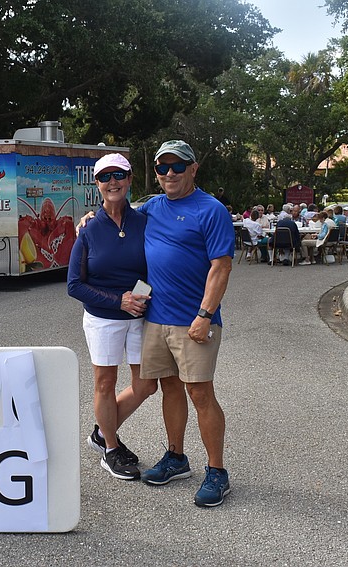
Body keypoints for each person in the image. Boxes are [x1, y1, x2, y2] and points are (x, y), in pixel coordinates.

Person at [135, 140, 234, 507]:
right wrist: (90, 217)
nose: (170, 174)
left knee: (201, 394)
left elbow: (221, 267)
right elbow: (117, 215)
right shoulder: (151, 207)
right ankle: (176, 457)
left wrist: (204, 316)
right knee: (170, 389)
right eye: (163, 168)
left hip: (194, 322)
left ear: (194, 168)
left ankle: (217, 471)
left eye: (178, 166)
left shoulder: (211, 210)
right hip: (155, 319)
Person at [67, 153, 157, 481]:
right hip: (103, 319)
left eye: (119, 175)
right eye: (105, 177)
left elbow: (154, 269)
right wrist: (118, 301)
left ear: (130, 179)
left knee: (146, 385)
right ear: (97, 185)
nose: (112, 182)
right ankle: (111, 449)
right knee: (105, 383)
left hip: (139, 316)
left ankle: (102, 432)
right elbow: (75, 285)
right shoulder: (90, 229)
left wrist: (138, 298)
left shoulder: (145, 221)